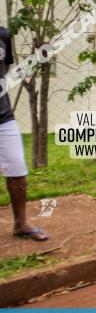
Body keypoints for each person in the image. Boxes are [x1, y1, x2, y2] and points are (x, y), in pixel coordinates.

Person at [0, 25, 49, 241]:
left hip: (3, 115)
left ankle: (21, 224)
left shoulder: (3, 34)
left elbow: (5, 67)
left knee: (17, 166)